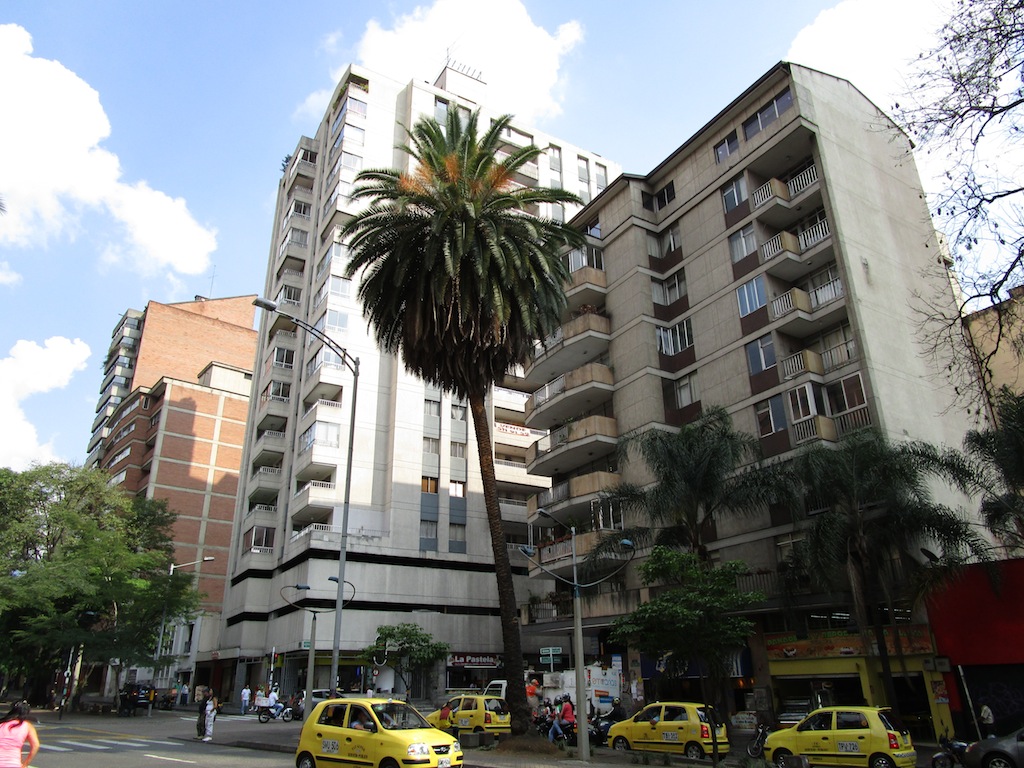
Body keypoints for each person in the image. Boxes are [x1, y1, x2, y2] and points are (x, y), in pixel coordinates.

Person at [0, 700, 40, 768]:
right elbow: (35, 745)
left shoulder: (1, 724)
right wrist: (25, 764)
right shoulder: (27, 726)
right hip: (13, 764)